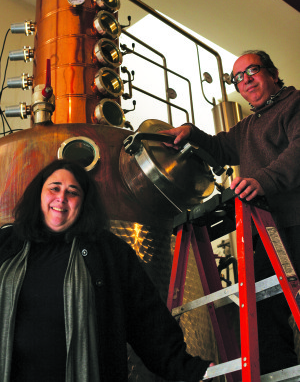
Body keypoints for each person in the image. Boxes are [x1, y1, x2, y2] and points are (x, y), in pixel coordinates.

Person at [0, 158, 214, 382]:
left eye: (72, 192)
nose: (61, 198)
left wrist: (187, 367)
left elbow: (146, 320)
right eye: (54, 188)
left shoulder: (108, 252)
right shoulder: (6, 244)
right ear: (39, 195)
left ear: (83, 204)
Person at [161, 50, 300, 374]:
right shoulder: (248, 125)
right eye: (238, 77)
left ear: (273, 73)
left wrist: (262, 180)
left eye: (252, 71)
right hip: (266, 232)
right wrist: (190, 133)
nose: (246, 80)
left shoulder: (294, 104)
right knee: (264, 315)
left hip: (296, 222)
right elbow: (220, 147)